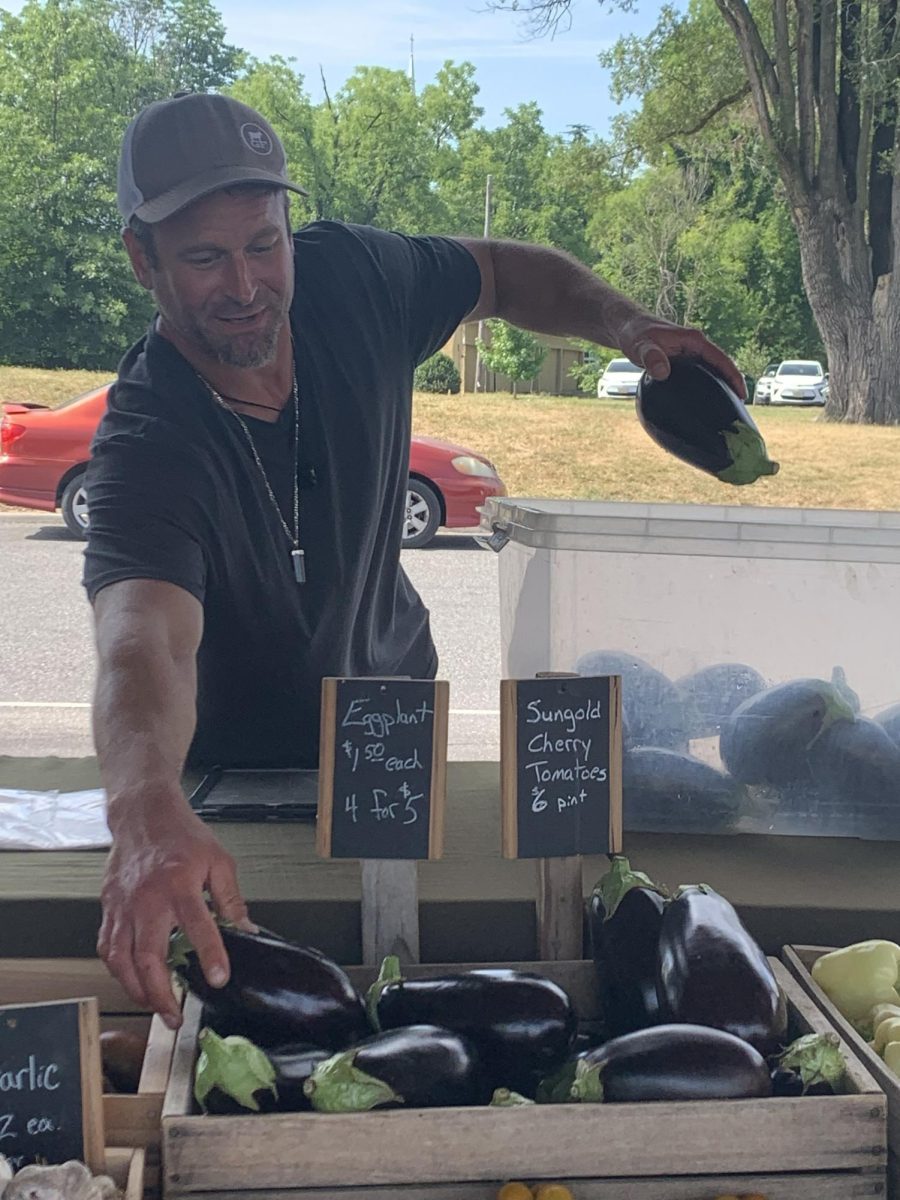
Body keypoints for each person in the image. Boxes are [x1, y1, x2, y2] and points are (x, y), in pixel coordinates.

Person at [86, 91, 745, 1028]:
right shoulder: (148, 433)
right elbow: (142, 638)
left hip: (395, 726)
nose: (245, 284)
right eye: (203, 257)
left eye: (262, 244)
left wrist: (627, 327)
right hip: (247, 788)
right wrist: (146, 806)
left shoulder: (352, 276)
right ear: (141, 257)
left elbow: (506, 274)